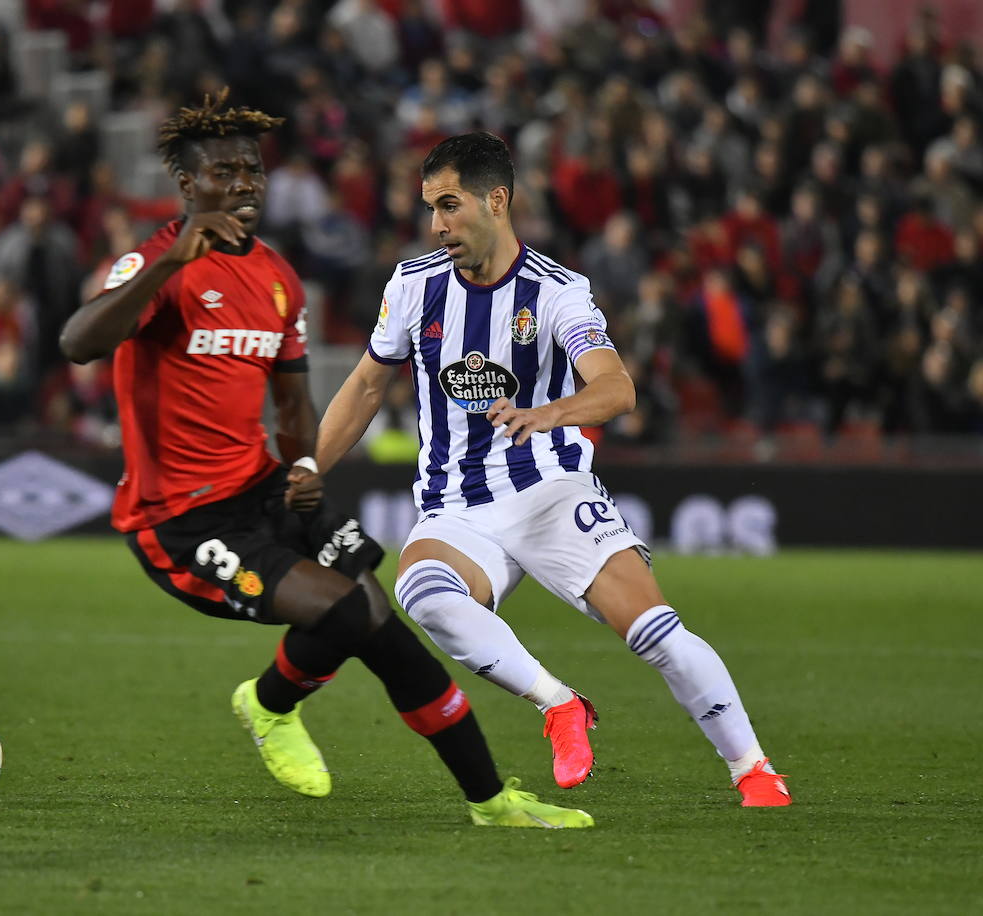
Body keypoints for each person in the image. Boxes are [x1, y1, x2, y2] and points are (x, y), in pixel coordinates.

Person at [58, 94, 590, 829]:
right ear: (188, 186)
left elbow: (294, 405)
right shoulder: (155, 265)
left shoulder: (277, 278)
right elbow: (78, 341)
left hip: (264, 491)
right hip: (180, 516)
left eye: (252, 170)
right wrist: (171, 261)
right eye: (224, 173)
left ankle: (492, 802)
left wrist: (305, 466)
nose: (244, 184)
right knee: (345, 610)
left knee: (383, 625)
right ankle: (271, 706)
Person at [312, 132, 791, 806]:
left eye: (450, 205)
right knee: (423, 591)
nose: (436, 224)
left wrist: (549, 413)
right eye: (430, 208)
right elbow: (364, 388)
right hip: (456, 503)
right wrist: (304, 472)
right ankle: (561, 705)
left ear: (497, 200)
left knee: (655, 633)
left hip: (549, 492)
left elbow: (616, 387)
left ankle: (754, 771)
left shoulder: (558, 291)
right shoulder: (414, 286)